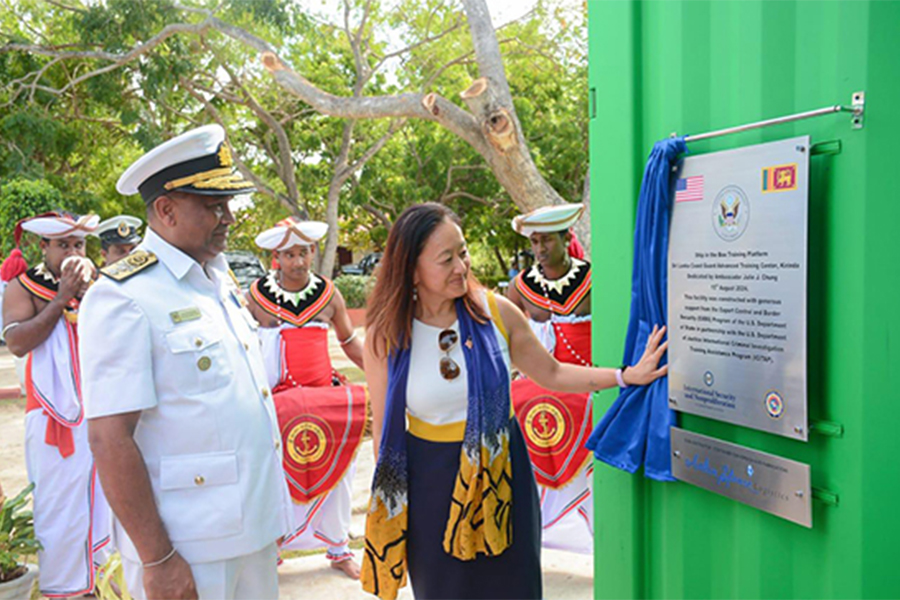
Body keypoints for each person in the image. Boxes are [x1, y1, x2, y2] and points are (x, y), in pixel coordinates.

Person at [360, 203, 668, 600]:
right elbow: (384, 431)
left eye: (463, 252)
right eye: (446, 259)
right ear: (411, 268)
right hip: (430, 482)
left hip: (503, 474)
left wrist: (625, 376)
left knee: (513, 587)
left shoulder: (495, 312)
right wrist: (394, 507)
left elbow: (552, 373)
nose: (462, 267)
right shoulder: (386, 335)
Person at [79, 124, 292, 600]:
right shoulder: (124, 297)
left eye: (228, 205)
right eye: (214, 206)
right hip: (187, 546)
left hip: (250, 528)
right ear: (166, 210)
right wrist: (157, 558)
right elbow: (110, 437)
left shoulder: (218, 279)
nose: (229, 218)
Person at [0, 210, 112, 598]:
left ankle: (109, 584)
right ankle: (66, 590)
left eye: (78, 244)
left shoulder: (103, 284)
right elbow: (17, 342)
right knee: (60, 511)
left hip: (105, 413)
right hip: (52, 422)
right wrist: (62, 297)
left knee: (113, 502)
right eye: (63, 244)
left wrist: (87, 293)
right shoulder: (22, 287)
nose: (72, 252)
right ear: (43, 246)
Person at [248, 218, 367, 579]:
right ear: (275, 258)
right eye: (289, 255)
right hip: (275, 401)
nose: (298, 262)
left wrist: (381, 374)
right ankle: (273, 550)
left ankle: (338, 548)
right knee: (272, 474)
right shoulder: (255, 297)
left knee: (340, 471)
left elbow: (348, 341)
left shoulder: (329, 293)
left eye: (303, 253)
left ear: (313, 252)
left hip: (323, 397)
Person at [506, 203, 595, 554]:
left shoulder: (592, 278)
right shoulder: (522, 286)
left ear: (567, 237)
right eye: (534, 243)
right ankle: (529, 536)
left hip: (587, 381)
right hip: (541, 381)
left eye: (547, 242)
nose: (540, 251)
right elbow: (506, 337)